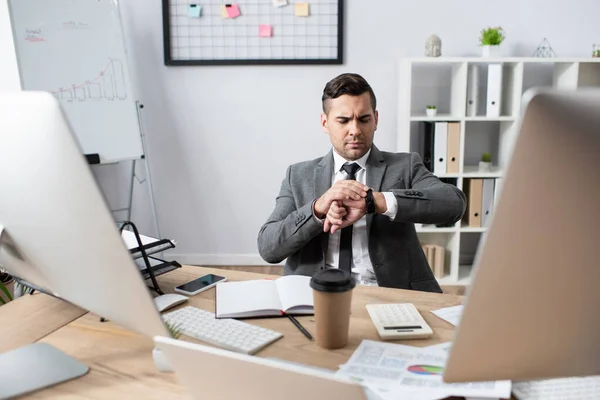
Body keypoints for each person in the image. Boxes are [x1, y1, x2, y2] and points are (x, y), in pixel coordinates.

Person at [257, 73, 466, 293]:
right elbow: (269, 248)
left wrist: (376, 201)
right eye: (343, 120)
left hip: (390, 293)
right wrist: (317, 209)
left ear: (375, 119)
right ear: (325, 123)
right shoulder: (298, 175)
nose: (355, 130)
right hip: (316, 294)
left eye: (364, 119)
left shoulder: (405, 165)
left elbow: (453, 204)